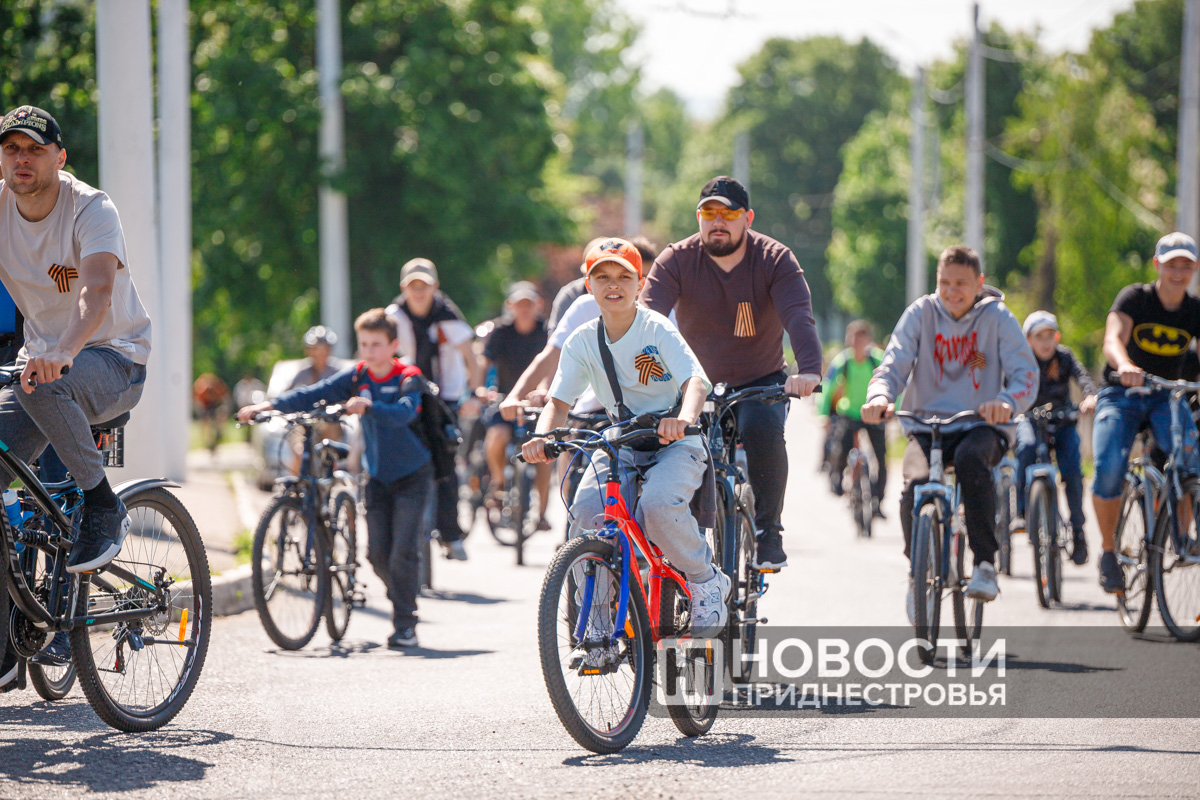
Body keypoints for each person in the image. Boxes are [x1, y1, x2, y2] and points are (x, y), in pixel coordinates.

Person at [0, 105, 152, 688]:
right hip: (41, 370)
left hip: (114, 358)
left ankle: (103, 504)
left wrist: (63, 349)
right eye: (11, 149)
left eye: (34, 149)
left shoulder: (90, 207)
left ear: (59, 158)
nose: (22, 159)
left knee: (46, 381)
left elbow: (96, 290)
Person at [520, 238, 729, 636]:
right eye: (602, 277)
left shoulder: (657, 327)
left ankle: (705, 579)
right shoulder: (582, 339)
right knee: (585, 512)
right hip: (620, 440)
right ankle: (597, 619)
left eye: (623, 276)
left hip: (675, 439)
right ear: (588, 285)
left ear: (641, 284)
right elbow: (558, 403)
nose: (613, 285)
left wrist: (683, 419)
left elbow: (695, 382)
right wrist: (541, 438)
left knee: (658, 506)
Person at [640, 176, 822, 571]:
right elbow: (647, 320)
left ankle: (768, 531)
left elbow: (798, 317)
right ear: (698, 218)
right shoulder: (677, 260)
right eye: (708, 213)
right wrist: (640, 373)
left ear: (748, 218)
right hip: (693, 384)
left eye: (728, 213)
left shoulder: (775, 259)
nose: (717, 221)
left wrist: (809, 370)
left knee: (762, 429)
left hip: (760, 380)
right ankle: (678, 544)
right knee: (676, 445)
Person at [238, 309, 432, 650]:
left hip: (412, 475)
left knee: (402, 552)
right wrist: (269, 406)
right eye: (364, 344)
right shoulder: (359, 375)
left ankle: (405, 622)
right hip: (377, 477)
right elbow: (314, 392)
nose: (369, 351)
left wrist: (369, 407)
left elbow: (406, 411)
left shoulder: (408, 376)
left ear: (394, 346)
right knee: (377, 555)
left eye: (376, 344)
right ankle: (402, 594)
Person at [861, 245, 1038, 614]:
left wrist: (1006, 401)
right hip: (926, 424)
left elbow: (1026, 374)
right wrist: (879, 396)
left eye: (961, 283)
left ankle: (985, 564)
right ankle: (919, 569)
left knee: (972, 463)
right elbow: (893, 364)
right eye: (944, 282)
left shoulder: (997, 317)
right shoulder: (921, 313)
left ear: (979, 283)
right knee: (914, 485)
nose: (952, 291)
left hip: (981, 423)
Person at [1091, 232, 1200, 593]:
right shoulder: (1135, 298)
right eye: (1172, 265)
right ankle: (1108, 551)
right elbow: (1113, 339)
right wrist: (1124, 365)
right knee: (1109, 466)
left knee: (1189, 457)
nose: (1178, 273)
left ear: (1195, 268)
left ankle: (1182, 536)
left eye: (1186, 266)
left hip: (1166, 395)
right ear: (1157, 265)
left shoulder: (1194, 310)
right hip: (1122, 393)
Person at [385, 258, 480, 561]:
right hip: (408, 395)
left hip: (445, 397)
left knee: (446, 463)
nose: (418, 292)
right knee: (398, 458)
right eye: (412, 286)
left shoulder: (448, 316)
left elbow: (471, 358)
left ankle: (450, 534)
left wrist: (474, 394)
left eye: (424, 286)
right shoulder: (393, 316)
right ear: (403, 288)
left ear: (435, 287)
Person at [1010, 311, 1097, 565]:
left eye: (1050, 335)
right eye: (1039, 336)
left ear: (1057, 337)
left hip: (1062, 421)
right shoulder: (1021, 361)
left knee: (1072, 471)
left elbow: (1083, 377)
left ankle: (1078, 531)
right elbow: (1007, 385)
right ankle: (1022, 511)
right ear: (1028, 340)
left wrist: (1089, 396)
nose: (1046, 342)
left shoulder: (1065, 357)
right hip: (1029, 419)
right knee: (1026, 447)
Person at [478, 281, 550, 527]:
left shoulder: (546, 332)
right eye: (520, 304)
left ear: (538, 305)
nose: (524, 309)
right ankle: (498, 481)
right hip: (506, 401)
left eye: (529, 304)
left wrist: (543, 391)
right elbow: (485, 361)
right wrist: (480, 388)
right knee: (496, 436)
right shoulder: (501, 331)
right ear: (510, 306)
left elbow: (552, 363)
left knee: (545, 452)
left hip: (537, 403)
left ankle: (541, 513)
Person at [818, 320, 887, 516]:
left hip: (874, 414)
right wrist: (823, 415)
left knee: (881, 459)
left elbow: (892, 384)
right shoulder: (842, 361)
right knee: (841, 449)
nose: (857, 343)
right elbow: (827, 388)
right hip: (849, 414)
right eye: (853, 339)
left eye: (861, 339)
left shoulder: (877, 360)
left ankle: (877, 501)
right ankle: (838, 482)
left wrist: (894, 408)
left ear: (868, 340)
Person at [289, 325, 340, 390]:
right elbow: (288, 393)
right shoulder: (303, 373)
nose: (320, 354)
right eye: (316, 349)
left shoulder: (337, 373)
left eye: (324, 349)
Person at [193, 372, 229, 456]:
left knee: (220, 418)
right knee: (205, 422)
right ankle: (207, 440)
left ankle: (219, 433)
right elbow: (198, 401)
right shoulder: (202, 391)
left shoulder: (217, 389)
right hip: (205, 406)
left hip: (214, 405)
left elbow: (223, 399)